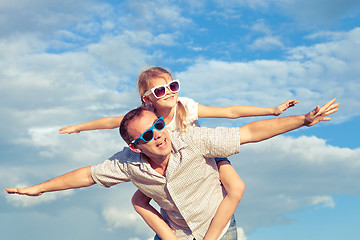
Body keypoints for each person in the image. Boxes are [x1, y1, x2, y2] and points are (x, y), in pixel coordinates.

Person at [6, 98, 339, 239]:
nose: (159, 136)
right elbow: (86, 176)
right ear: (135, 146)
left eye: (159, 126)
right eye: (148, 136)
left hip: (219, 228)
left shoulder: (192, 140)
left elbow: (248, 132)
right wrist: (37, 188)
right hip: (176, 232)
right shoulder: (128, 163)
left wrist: (302, 121)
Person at [58, 67, 299, 240]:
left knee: (235, 188)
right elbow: (111, 121)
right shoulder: (146, 120)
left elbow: (230, 112)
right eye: (161, 90)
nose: (170, 92)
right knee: (140, 198)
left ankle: (212, 235)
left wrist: (272, 110)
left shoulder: (186, 106)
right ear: (147, 99)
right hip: (169, 169)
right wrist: (79, 126)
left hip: (205, 156)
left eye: (173, 85)